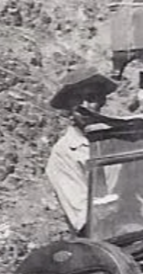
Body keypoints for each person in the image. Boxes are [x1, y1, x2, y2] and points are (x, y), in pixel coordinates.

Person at [45, 65, 117, 233]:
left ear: (101, 101)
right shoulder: (63, 154)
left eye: (91, 98)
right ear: (69, 107)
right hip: (101, 241)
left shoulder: (119, 140)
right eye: (77, 100)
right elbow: (84, 218)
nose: (84, 106)